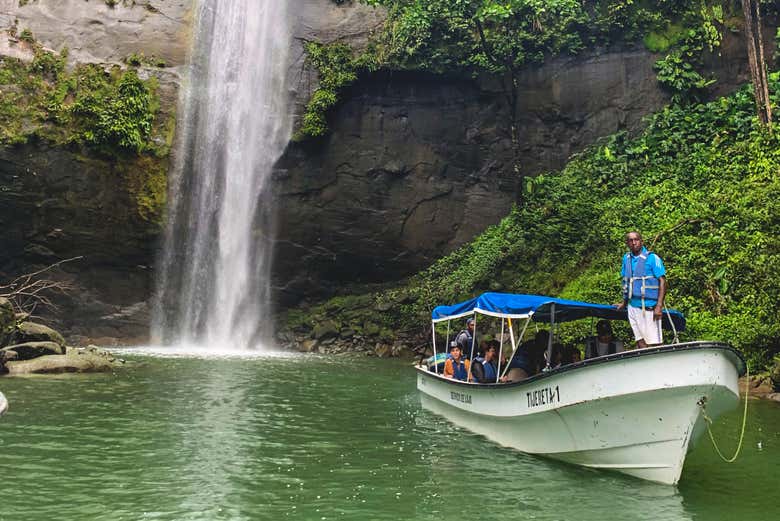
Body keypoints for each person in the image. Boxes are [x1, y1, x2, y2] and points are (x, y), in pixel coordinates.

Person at [616, 231, 667, 349]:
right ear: (627, 243)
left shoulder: (653, 258)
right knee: (640, 342)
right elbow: (627, 282)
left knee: (655, 343)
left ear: (641, 241)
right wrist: (624, 303)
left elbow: (663, 281)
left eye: (636, 239)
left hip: (649, 307)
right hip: (632, 307)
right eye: (630, 240)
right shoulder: (626, 258)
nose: (634, 243)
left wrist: (659, 306)